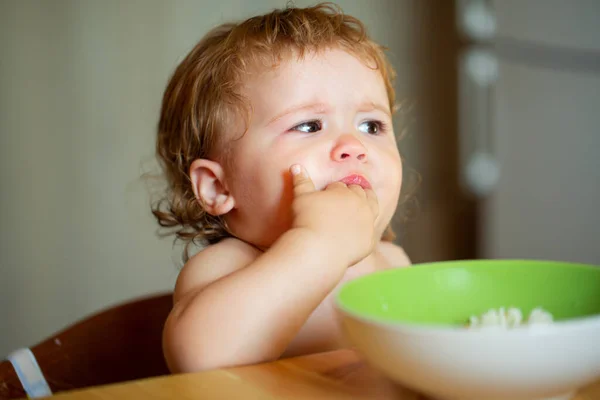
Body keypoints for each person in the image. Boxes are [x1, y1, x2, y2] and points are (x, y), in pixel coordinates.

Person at [151, 2, 411, 374]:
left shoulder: (393, 264)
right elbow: (201, 359)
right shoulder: (223, 270)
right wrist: (320, 244)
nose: (354, 146)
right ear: (217, 187)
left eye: (371, 126)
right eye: (309, 126)